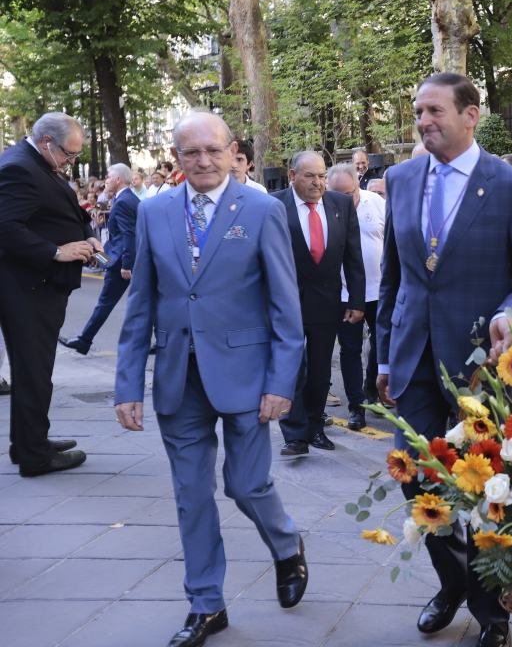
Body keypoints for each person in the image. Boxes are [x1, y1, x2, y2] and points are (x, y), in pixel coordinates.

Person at [114, 113, 309, 647]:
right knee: (190, 495)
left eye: (212, 151)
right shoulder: (154, 212)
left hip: (247, 377)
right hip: (179, 378)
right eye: (190, 152)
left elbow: (285, 309)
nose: (203, 161)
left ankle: (287, 544)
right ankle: (206, 605)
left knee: (246, 485)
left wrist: (281, 383)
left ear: (232, 151)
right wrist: (128, 384)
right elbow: (142, 306)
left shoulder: (264, 209)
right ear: (175, 158)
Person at [375, 73, 512, 647]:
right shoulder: (399, 180)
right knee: (417, 484)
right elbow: (396, 279)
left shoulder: (509, 186)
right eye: (417, 111)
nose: (423, 121)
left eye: (434, 111)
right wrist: (384, 357)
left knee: (484, 491)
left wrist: (511, 313)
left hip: (480, 369)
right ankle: (454, 583)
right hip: (412, 361)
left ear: (471, 115)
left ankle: (492, 612)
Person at [0, 112, 96, 476]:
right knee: (34, 372)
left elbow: (62, 208)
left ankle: (28, 442)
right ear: (46, 143)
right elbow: (5, 226)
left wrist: (86, 232)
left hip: (38, 286)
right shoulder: (19, 168)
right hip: (28, 288)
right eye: (70, 155)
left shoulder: (38, 164)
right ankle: (35, 455)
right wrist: (56, 251)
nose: (72, 162)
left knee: (34, 371)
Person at [274, 151, 365, 455]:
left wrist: (356, 299)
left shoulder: (340, 205)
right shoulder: (275, 206)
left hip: (327, 302)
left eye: (322, 176)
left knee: (320, 371)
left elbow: (354, 256)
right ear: (292, 176)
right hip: (285, 302)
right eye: (310, 176)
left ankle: (314, 428)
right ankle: (295, 433)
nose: (318, 183)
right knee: (291, 368)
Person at [326, 163, 386, 426]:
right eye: (335, 193)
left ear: (357, 186)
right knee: (349, 349)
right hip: (343, 293)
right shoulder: (323, 208)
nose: (342, 200)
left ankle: (372, 388)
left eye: (347, 193)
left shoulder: (377, 203)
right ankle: (357, 405)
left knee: (382, 343)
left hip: (378, 289)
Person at [60, 163, 140, 355]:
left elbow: (129, 236)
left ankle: (84, 340)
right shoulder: (126, 199)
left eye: (109, 177)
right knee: (146, 300)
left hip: (121, 261)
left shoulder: (123, 202)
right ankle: (84, 340)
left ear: (118, 179)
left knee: (106, 302)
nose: (106, 181)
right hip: (116, 256)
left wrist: (127, 265)